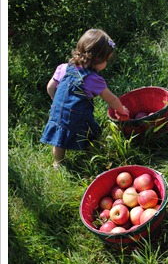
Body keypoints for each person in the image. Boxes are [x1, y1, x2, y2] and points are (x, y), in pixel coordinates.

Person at [40, 29, 129, 168]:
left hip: (57, 113)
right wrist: (121, 109)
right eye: (106, 60)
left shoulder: (63, 68)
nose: (106, 64)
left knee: (59, 140)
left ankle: (57, 163)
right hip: (79, 118)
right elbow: (111, 99)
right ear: (98, 59)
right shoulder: (93, 79)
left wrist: (54, 100)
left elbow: (50, 87)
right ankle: (95, 152)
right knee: (92, 134)